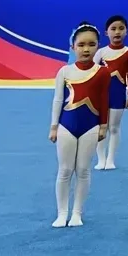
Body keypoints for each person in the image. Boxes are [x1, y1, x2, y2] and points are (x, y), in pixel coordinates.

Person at [49, 22, 109, 228]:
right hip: (66, 126)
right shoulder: (65, 71)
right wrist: (54, 126)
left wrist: (103, 125)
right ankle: (61, 213)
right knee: (65, 170)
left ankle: (77, 213)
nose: (86, 49)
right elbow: (58, 99)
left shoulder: (102, 72)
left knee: (83, 170)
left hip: (90, 126)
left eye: (91, 45)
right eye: (81, 45)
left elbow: (104, 99)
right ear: (73, 47)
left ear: (98, 47)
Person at [93, 14, 128, 171]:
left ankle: (110, 159)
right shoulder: (100, 53)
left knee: (114, 127)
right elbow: (92, 73)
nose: (117, 32)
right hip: (101, 95)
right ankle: (101, 159)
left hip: (118, 94)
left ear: (126, 32)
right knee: (101, 127)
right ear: (106, 33)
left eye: (121, 28)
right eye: (113, 29)